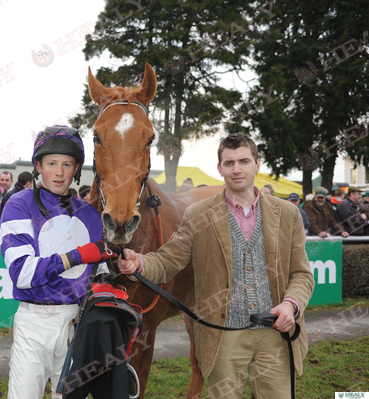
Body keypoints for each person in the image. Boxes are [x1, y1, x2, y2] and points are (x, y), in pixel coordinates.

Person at [118, 133, 315, 398]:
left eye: (244, 161)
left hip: (276, 336)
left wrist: (291, 304)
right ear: (219, 168)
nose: (237, 169)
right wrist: (140, 262)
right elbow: (168, 259)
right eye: (229, 162)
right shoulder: (198, 214)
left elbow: (302, 274)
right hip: (223, 339)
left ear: (257, 164)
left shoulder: (288, 214)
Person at [0, 125, 118, 399]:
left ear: (77, 169)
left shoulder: (89, 214)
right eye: (52, 163)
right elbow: (23, 273)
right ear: (38, 166)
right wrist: (76, 255)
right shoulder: (19, 204)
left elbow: (99, 276)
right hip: (34, 321)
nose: (60, 172)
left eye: (67, 164)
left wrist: (117, 265)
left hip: (76, 321)